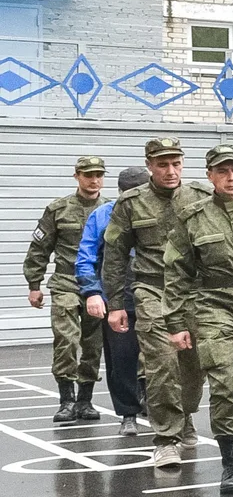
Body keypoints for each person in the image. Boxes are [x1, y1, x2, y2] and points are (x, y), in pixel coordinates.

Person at [162, 145, 233, 494]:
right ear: (210, 175)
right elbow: (176, 271)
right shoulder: (192, 217)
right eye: (222, 171)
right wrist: (176, 321)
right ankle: (232, 460)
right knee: (226, 385)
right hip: (213, 305)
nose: (231, 177)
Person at [104, 137, 208, 471]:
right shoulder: (132, 203)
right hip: (152, 291)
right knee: (162, 366)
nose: (170, 170)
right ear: (149, 165)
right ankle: (165, 439)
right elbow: (115, 254)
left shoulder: (201, 196)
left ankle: (185, 415)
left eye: (176, 163)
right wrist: (115, 303)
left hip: (194, 293)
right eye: (162, 164)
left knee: (193, 369)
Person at [26, 155, 107, 424]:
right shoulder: (58, 209)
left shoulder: (111, 209)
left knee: (92, 344)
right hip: (66, 283)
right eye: (88, 175)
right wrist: (34, 285)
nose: (94, 180)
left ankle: (85, 399)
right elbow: (40, 248)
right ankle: (66, 400)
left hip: (97, 286)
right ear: (77, 176)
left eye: (98, 175)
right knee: (66, 340)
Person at [76, 167, 148, 435]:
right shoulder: (103, 216)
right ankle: (128, 413)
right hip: (119, 296)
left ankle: (159, 406)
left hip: (157, 293)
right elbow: (85, 258)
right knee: (121, 359)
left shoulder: (163, 211)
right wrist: (93, 293)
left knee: (165, 358)